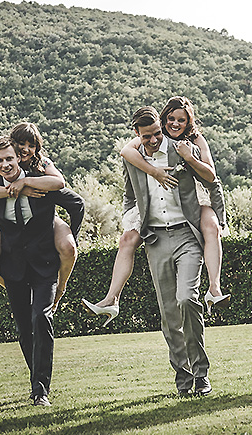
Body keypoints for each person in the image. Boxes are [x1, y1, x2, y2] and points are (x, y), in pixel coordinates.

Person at [83, 96, 228, 325]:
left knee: (211, 226)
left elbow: (211, 175)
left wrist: (189, 157)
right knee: (127, 239)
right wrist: (154, 172)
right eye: (171, 118)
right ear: (163, 119)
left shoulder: (195, 139)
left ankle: (214, 289)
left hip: (196, 193)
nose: (175, 124)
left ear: (189, 121)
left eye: (182, 119)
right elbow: (126, 152)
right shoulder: (153, 137)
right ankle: (111, 300)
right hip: (161, 201)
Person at [0, 136, 81, 406]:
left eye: (9, 159)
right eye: (0, 161)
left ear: (18, 158)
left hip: (44, 264)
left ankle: (41, 390)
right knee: (23, 328)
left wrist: (65, 235)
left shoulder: (40, 183)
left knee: (41, 318)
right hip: (13, 266)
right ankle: (36, 378)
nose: (5, 164)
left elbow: (76, 204)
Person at [121, 106, 214, 395]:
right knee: (169, 313)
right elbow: (128, 195)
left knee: (187, 299)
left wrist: (215, 217)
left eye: (157, 134)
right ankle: (183, 378)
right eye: (147, 136)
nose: (153, 140)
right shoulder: (134, 158)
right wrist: (131, 225)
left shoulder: (183, 149)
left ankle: (201, 374)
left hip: (187, 234)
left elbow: (212, 178)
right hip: (156, 239)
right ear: (138, 135)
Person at [0, 122, 83, 295]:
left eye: (31, 146)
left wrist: (24, 182)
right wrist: (15, 191)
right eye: (21, 144)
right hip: (9, 219)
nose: (25, 149)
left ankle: (60, 287)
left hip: (43, 217)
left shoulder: (43, 162)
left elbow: (59, 182)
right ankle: (19, 292)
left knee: (68, 247)